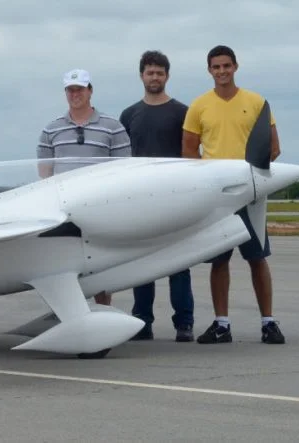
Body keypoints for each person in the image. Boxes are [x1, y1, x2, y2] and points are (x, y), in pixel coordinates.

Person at [181, 44, 285, 345]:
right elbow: (189, 150)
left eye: (227, 66)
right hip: (218, 198)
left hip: (250, 194)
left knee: (257, 258)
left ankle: (268, 322)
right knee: (219, 261)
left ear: (235, 67)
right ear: (209, 70)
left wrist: (254, 180)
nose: (222, 71)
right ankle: (222, 324)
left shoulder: (256, 102)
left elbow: (273, 147)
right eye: (216, 67)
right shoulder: (199, 106)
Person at [37, 68, 131, 307]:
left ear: (90, 91)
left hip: (101, 208)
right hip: (64, 211)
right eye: (70, 90)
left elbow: (124, 171)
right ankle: (68, 312)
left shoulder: (113, 127)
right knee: (63, 265)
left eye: (79, 89)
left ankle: (102, 310)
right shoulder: (51, 130)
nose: (75, 94)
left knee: (100, 267)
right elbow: (45, 176)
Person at [118, 51, 195, 342]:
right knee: (142, 265)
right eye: (150, 72)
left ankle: (184, 323)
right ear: (141, 76)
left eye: (159, 73)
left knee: (179, 265)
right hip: (140, 200)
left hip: (176, 199)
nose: (154, 77)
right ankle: (142, 322)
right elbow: (122, 159)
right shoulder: (129, 115)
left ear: (167, 76)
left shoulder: (182, 112)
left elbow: (191, 154)